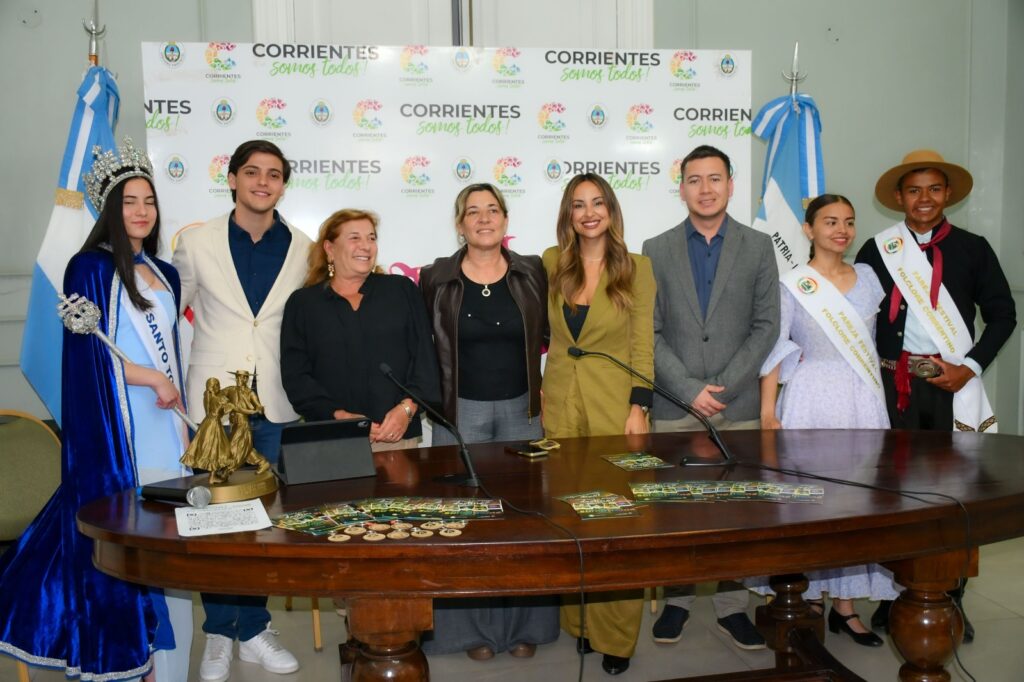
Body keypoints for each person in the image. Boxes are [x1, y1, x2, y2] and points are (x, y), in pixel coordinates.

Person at [0, 138, 192, 680]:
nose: (141, 211)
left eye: (149, 201)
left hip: (167, 428)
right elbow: (88, 359)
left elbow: (174, 357)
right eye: (129, 201)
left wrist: (177, 408)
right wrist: (149, 375)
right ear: (111, 208)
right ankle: (133, 659)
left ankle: (170, 668)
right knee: (135, 550)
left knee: (172, 557)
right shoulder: (88, 268)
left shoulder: (167, 273)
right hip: (122, 432)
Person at [856, 150, 1016, 642]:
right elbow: (856, 313)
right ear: (899, 197)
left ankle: (953, 595)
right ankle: (895, 594)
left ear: (947, 195)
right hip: (894, 386)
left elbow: (1003, 314)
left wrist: (969, 368)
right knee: (897, 493)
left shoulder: (974, 248)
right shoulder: (878, 248)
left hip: (953, 385)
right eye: (914, 190)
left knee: (954, 496)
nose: (924, 199)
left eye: (934, 189)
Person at [174, 139, 308, 681]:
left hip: (272, 401)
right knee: (212, 521)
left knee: (260, 520)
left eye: (273, 175)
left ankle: (252, 628)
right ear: (231, 178)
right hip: (212, 408)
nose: (262, 182)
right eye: (251, 172)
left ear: (282, 185)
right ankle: (217, 634)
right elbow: (162, 309)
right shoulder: (196, 242)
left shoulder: (303, 246)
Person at [642, 145, 779, 651]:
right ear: (681, 188)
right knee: (676, 511)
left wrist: (723, 387)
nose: (705, 188)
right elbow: (649, 331)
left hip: (736, 405)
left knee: (736, 513)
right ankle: (677, 601)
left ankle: (732, 607)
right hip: (675, 406)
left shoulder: (758, 246)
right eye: (694, 180)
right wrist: (688, 390)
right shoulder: (654, 248)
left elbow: (768, 325)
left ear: (730, 185)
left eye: (714, 178)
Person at [418, 183, 557, 660]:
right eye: (472, 211)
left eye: (492, 210)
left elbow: (548, 335)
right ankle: (468, 632)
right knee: (466, 524)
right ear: (460, 224)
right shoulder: (435, 277)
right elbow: (423, 347)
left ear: (505, 219)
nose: (483, 218)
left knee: (524, 521)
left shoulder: (532, 271)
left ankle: (524, 628)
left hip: (522, 409)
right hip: (461, 414)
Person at [757, 193, 900, 647]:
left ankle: (847, 607)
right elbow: (776, 349)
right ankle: (811, 598)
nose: (841, 229)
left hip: (862, 397)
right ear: (808, 229)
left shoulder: (870, 278)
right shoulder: (794, 283)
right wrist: (766, 412)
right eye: (830, 221)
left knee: (856, 500)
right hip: (810, 397)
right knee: (812, 500)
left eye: (849, 222)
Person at [541, 172, 655, 676]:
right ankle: (581, 624)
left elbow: (642, 344)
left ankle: (617, 637)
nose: (588, 212)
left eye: (597, 203)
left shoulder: (638, 267)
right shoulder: (550, 263)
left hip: (615, 407)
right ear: (568, 214)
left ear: (611, 210)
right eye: (578, 205)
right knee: (572, 519)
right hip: (562, 406)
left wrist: (639, 406)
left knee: (618, 523)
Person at [280, 208, 440, 450]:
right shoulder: (303, 304)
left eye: (371, 238)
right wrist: (338, 416)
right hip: (332, 437)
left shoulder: (401, 290)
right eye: (354, 238)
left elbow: (425, 360)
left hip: (395, 435)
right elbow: (296, 377)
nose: (366, 246)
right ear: (329, 249)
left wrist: (406, 410)